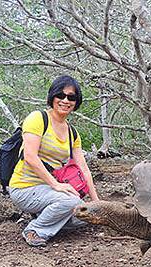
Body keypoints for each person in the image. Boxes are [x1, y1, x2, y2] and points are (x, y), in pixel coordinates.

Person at [8, 75, 99, 247]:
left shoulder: (72, 133)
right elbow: (30, 157)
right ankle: (35, 229)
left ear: (76, 101)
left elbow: (84, 169)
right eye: (61, 95)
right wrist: (56, 185)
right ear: (53, 97)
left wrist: (97, 204)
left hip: (48, 191)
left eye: (71, 97)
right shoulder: (38, 118)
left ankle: (46, 215)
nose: (66, 100)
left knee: (86, 214)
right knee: (70, 201)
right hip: (25, 188)